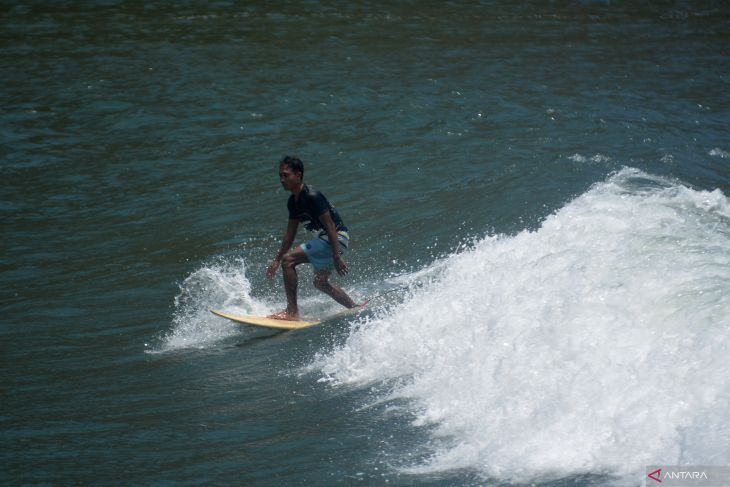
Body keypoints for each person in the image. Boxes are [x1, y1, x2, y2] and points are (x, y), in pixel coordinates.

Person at [266, 156, 358, 320]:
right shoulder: (292, 202)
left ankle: (292, 312)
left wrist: (336, 256)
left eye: (286, 175)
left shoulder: (312, 195)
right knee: (320, 283)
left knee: (289, 261)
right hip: (331, 241)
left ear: (298, 174)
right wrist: (276, 259)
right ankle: (354, 307)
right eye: (280, 175)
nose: (282, 180)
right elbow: (290, 235)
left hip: (335, 238)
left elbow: (330, 226)